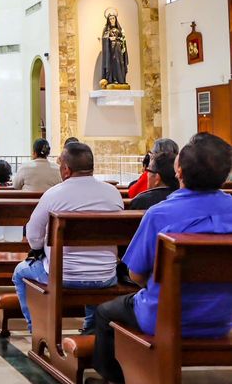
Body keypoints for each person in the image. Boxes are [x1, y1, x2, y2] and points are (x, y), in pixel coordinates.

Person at [92, 133, 232, 384]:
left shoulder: (159, 214)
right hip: (221, 317)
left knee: (104, 313)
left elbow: (136, 274)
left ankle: (113, 378)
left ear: (179, 172)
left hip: (162, 316)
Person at [12, 142, 123, 333]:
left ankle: (37, 328)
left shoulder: (54, 194)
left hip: (63, 275)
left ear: (65, 169)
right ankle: (91, 328)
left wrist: (40, 249)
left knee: (20, 272)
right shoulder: (113, 193)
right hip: (105, 275)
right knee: (93, 264)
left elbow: (33, 235)